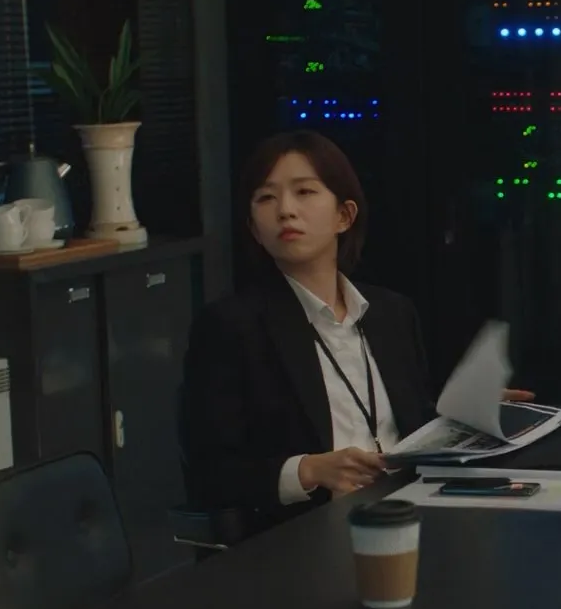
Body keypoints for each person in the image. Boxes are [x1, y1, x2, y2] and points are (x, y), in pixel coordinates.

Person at [180, 130, 529, 526]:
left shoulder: (391, 313)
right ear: (255, 230)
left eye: (304, 192)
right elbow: (210, 474)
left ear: (344, 216)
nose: (285, 210)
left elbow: (409, 428)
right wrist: (308, 470)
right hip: (313, 527)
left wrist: (466, 416)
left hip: (415, 507)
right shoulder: (231, 326)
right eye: (266, 198)